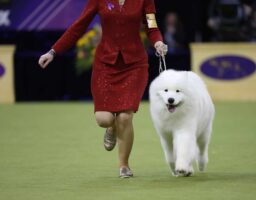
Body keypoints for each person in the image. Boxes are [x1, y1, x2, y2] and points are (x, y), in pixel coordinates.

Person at [38, 0, 167, 178]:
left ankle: (124, 166)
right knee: (104, 119)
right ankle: (111, 128)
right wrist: (53, 52)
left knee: (125, 116)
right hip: (105, 65)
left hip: (134, 65)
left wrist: (158, 43)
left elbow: (152, 26)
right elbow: (79, 25)